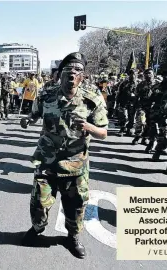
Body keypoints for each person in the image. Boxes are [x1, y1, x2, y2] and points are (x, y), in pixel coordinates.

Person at [23, 52, 108, 259]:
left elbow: (103, 133)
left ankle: (73, 238)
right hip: (47, 160)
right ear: (59, 75)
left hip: (75, 163)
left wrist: (89, 127)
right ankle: (37, 228)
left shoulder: (92, 98)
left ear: (83, 76)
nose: (73, 74)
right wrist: (27, 120)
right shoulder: (46, 94)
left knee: (76, 206)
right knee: (39, 203)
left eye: (78, 70)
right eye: (68, 70)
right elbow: (34, 115)